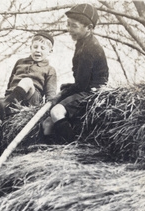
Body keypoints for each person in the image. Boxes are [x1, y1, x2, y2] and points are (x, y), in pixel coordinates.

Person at [42, 3, 108, 143]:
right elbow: (81, 81)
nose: (69, 29)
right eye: (68, 25)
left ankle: (71, 146)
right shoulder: (82, 42)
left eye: (74, 26)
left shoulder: (89, 48)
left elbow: (82, 85)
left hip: (93, 92)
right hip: (84, 88)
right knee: (47, 122)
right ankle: (48, 151)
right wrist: (69, 87)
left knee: (56, 112)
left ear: (89, 28)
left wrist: (66, 92)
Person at [0, 31, 57, 158]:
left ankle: (5, 107)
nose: (38, 51)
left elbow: (51, 95)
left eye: (42, 48)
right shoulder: (19, 62)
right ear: (30, 48)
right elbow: (11, 83)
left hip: (32, 99)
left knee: (27, 81)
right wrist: (8, 96)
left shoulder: (50, 70)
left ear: (50, 52)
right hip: (14, 97)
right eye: (35, 47)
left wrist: (46, 113)